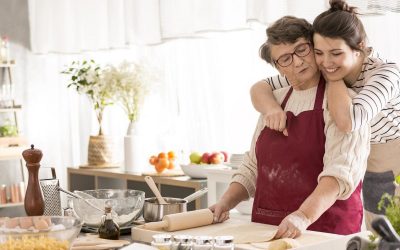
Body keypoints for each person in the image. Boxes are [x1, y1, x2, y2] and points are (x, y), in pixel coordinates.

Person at [210, 15, 370, 239]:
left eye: (301, 49)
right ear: (277, 67)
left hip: (324, 233)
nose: (296, 62)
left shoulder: (342, 103)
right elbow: (253, 166)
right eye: (285, 58)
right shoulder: (274, 102)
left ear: (314, 47)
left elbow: (339, 174)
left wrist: (302, 216)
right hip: (268, 233)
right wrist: (225, 203)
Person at [250, 0, 400, 230]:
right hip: (361, 149)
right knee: (375, 234)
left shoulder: (384, 73)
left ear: (359, 46)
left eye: (336, 53)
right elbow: (260, 87)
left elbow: (349, 121)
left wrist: (332, 77)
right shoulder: (323, 63)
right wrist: (272, 109)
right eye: (318, 52)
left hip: (391, 151)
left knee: (390, 230)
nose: (326, 62)